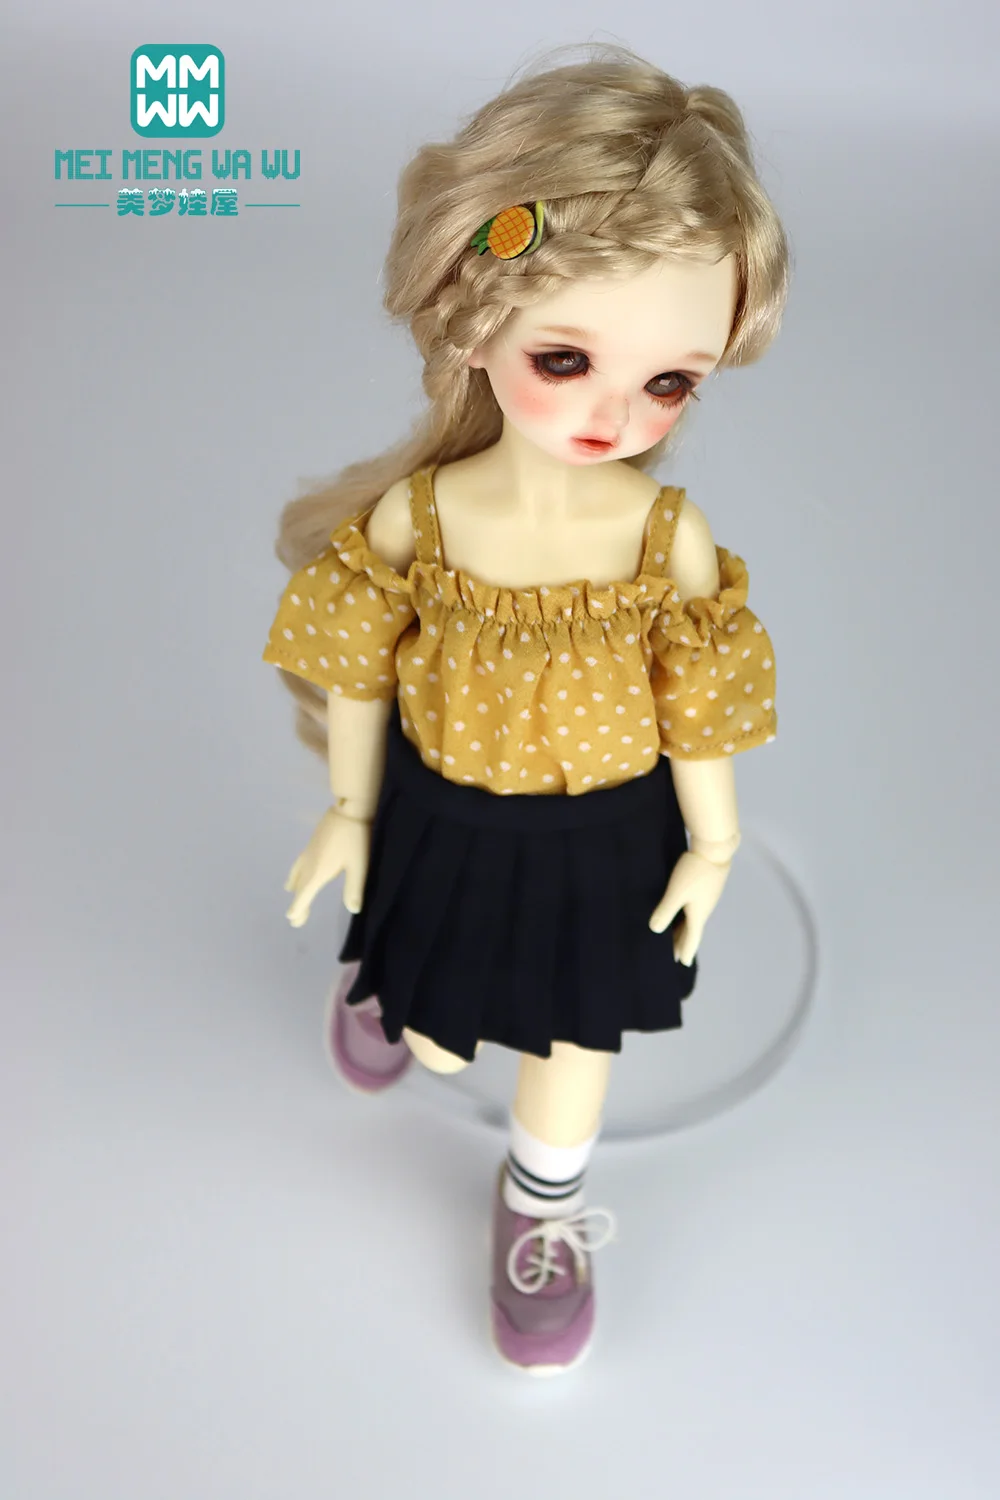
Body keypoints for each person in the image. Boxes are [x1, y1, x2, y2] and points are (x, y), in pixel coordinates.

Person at [262, 42, 787, 1376]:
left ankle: (541, 1209)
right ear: (472, 317)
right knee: (419, 967)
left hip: (605, 829)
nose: (620, 413)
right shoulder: (423, 518)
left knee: (574, 1036)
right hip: (441, 803)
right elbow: (360, 662)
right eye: (567, 357)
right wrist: (349, 807)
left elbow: (697, 696)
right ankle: (386, 987)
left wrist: (714, 838)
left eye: (669, 381)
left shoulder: (663, 537)